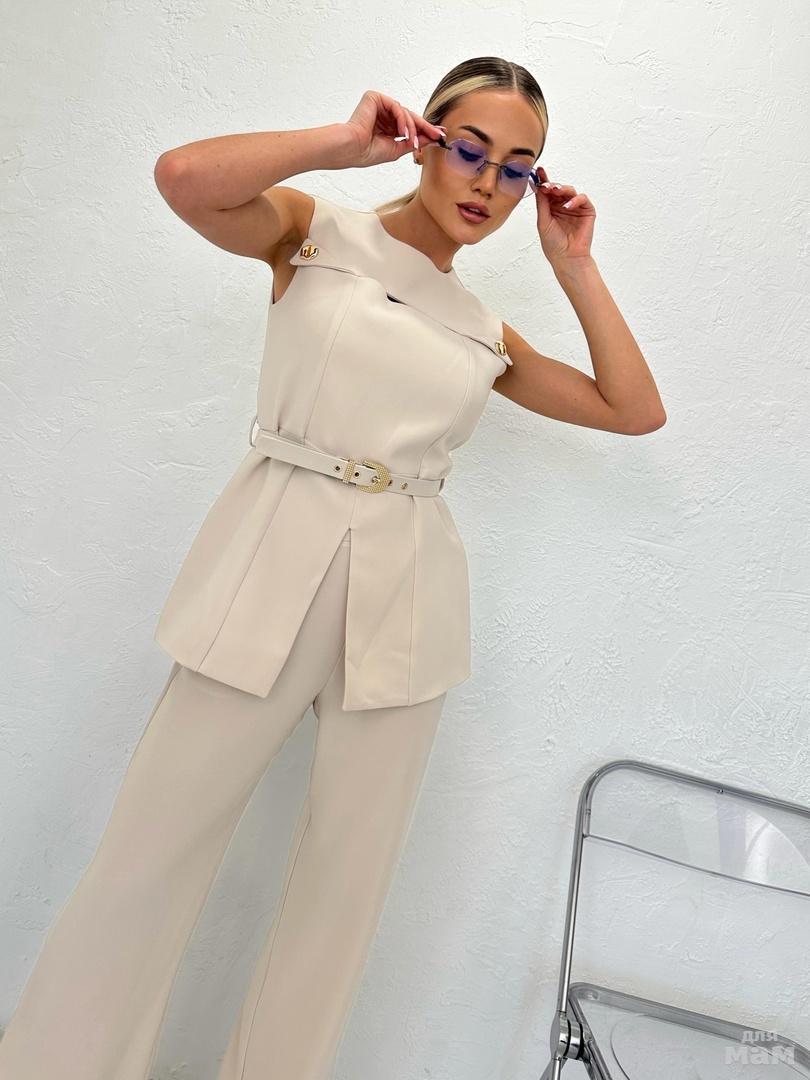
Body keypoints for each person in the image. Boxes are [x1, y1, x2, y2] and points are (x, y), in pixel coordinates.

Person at [0, 56, 665, 1080]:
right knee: (150, 852)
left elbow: (633, 409)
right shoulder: (314, 234)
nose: (488, 183)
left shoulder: (483, 329)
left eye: (517, 167)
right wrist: (344, 145)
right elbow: (183, 177)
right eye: (471, 150)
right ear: (427, 138)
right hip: (269, 559)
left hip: (408, 593)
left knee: (343, 895)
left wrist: (574, 264)